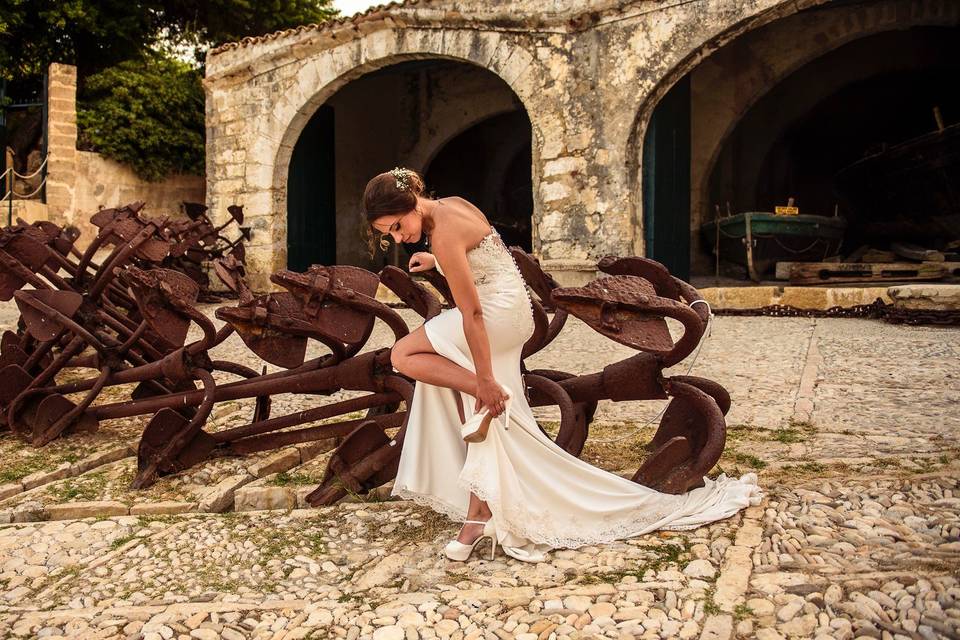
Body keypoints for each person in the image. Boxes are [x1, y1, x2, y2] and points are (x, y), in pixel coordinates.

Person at [364, 167, 761, 563]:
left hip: (494, 314)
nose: (398, 238)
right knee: (464, 400)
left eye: (398, 226)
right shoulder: (452, 206)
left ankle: (487, 399)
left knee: (405, 355)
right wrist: (437, 258)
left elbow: (472, 315)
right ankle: (478, 511)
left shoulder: (444, 233)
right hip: (515, 309)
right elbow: (484, 247)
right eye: (390, 236)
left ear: (411, 203)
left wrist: (483, 379)